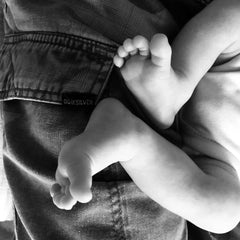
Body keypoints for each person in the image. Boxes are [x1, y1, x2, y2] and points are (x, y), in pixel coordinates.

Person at [50, 0, 240, 235]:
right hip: (221, 66)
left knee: (224, 214)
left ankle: (130, 139)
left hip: (218, 156)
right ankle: (175, 86)